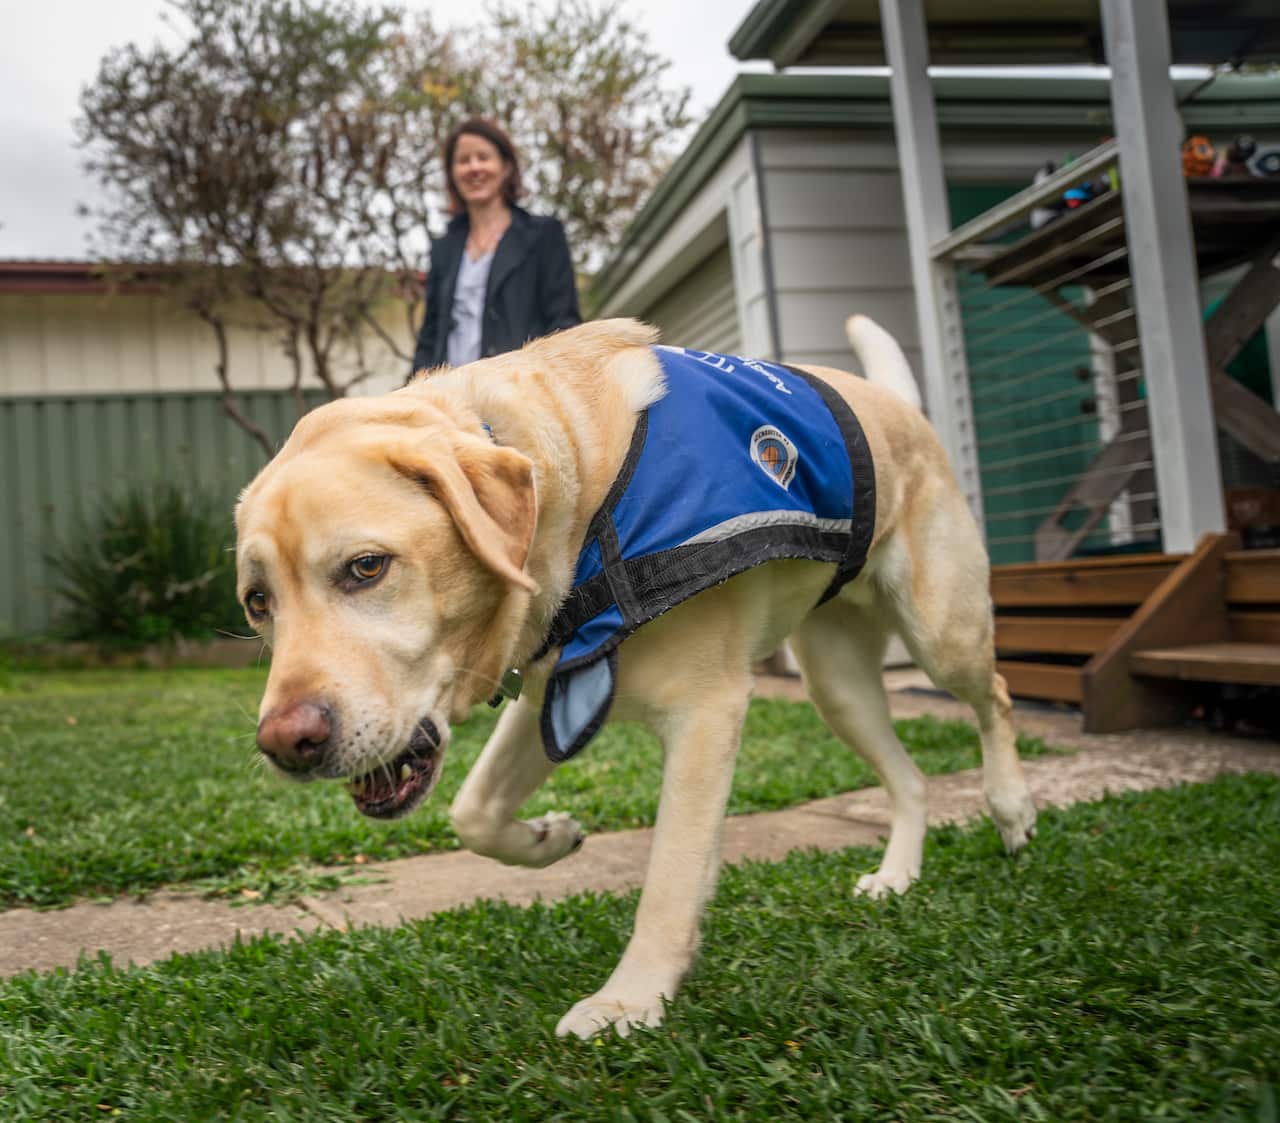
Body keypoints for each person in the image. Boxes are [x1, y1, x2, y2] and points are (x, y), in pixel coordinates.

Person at [411, 118, 581, 375]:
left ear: (506, 167)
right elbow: (430, 336)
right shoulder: (444, 249)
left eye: (483, 157)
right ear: (452, 174)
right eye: (463, 160)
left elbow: (564, 324)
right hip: (450, 400)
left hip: (519, 393)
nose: (474, 167)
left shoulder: (543, 235)